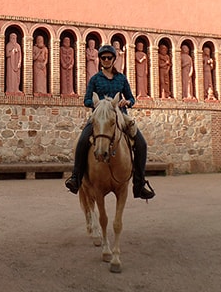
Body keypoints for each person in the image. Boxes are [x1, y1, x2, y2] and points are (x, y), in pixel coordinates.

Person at [64, 45, 155, 200]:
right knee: (82, 140)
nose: (106, 60)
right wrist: (98, 104)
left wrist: (127, 102)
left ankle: (139, 185)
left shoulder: (121, 78)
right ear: (100, 60)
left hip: (121, 117)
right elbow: (87, 99)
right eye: (103, 58)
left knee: (141, 144)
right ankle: (76, 178)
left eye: (109, 58)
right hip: (100, 116)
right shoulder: (95, 79)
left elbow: (132, 98)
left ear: (114, 59)